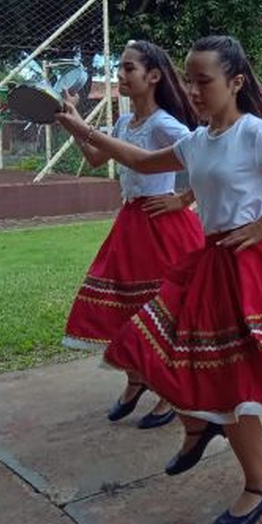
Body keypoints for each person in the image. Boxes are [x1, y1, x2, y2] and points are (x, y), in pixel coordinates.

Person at [56, 35, 262, 524]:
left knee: (231, 381)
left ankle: (258, 481)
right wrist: (78, 127)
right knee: (148, 348)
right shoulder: (197, 141)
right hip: (209, 264)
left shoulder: (255, 133)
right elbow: (137, 161)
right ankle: (202, 427)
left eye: (205, 81)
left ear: (235, 82)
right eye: (190, 81)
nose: (195, 91)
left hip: (247, 267)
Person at [62, 40, 203, 429]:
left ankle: (168, 392)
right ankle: (137, 378)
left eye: (128, 69)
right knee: (127, 306)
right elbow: (95, 157)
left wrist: (183, 199)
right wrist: (73, 123)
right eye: (120, 69)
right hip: (131, 223)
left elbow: (206, 158)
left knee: (163, 311)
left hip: (164, 225)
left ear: (153, 76)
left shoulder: (163, 124)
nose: (120, 75)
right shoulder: (126, 123)